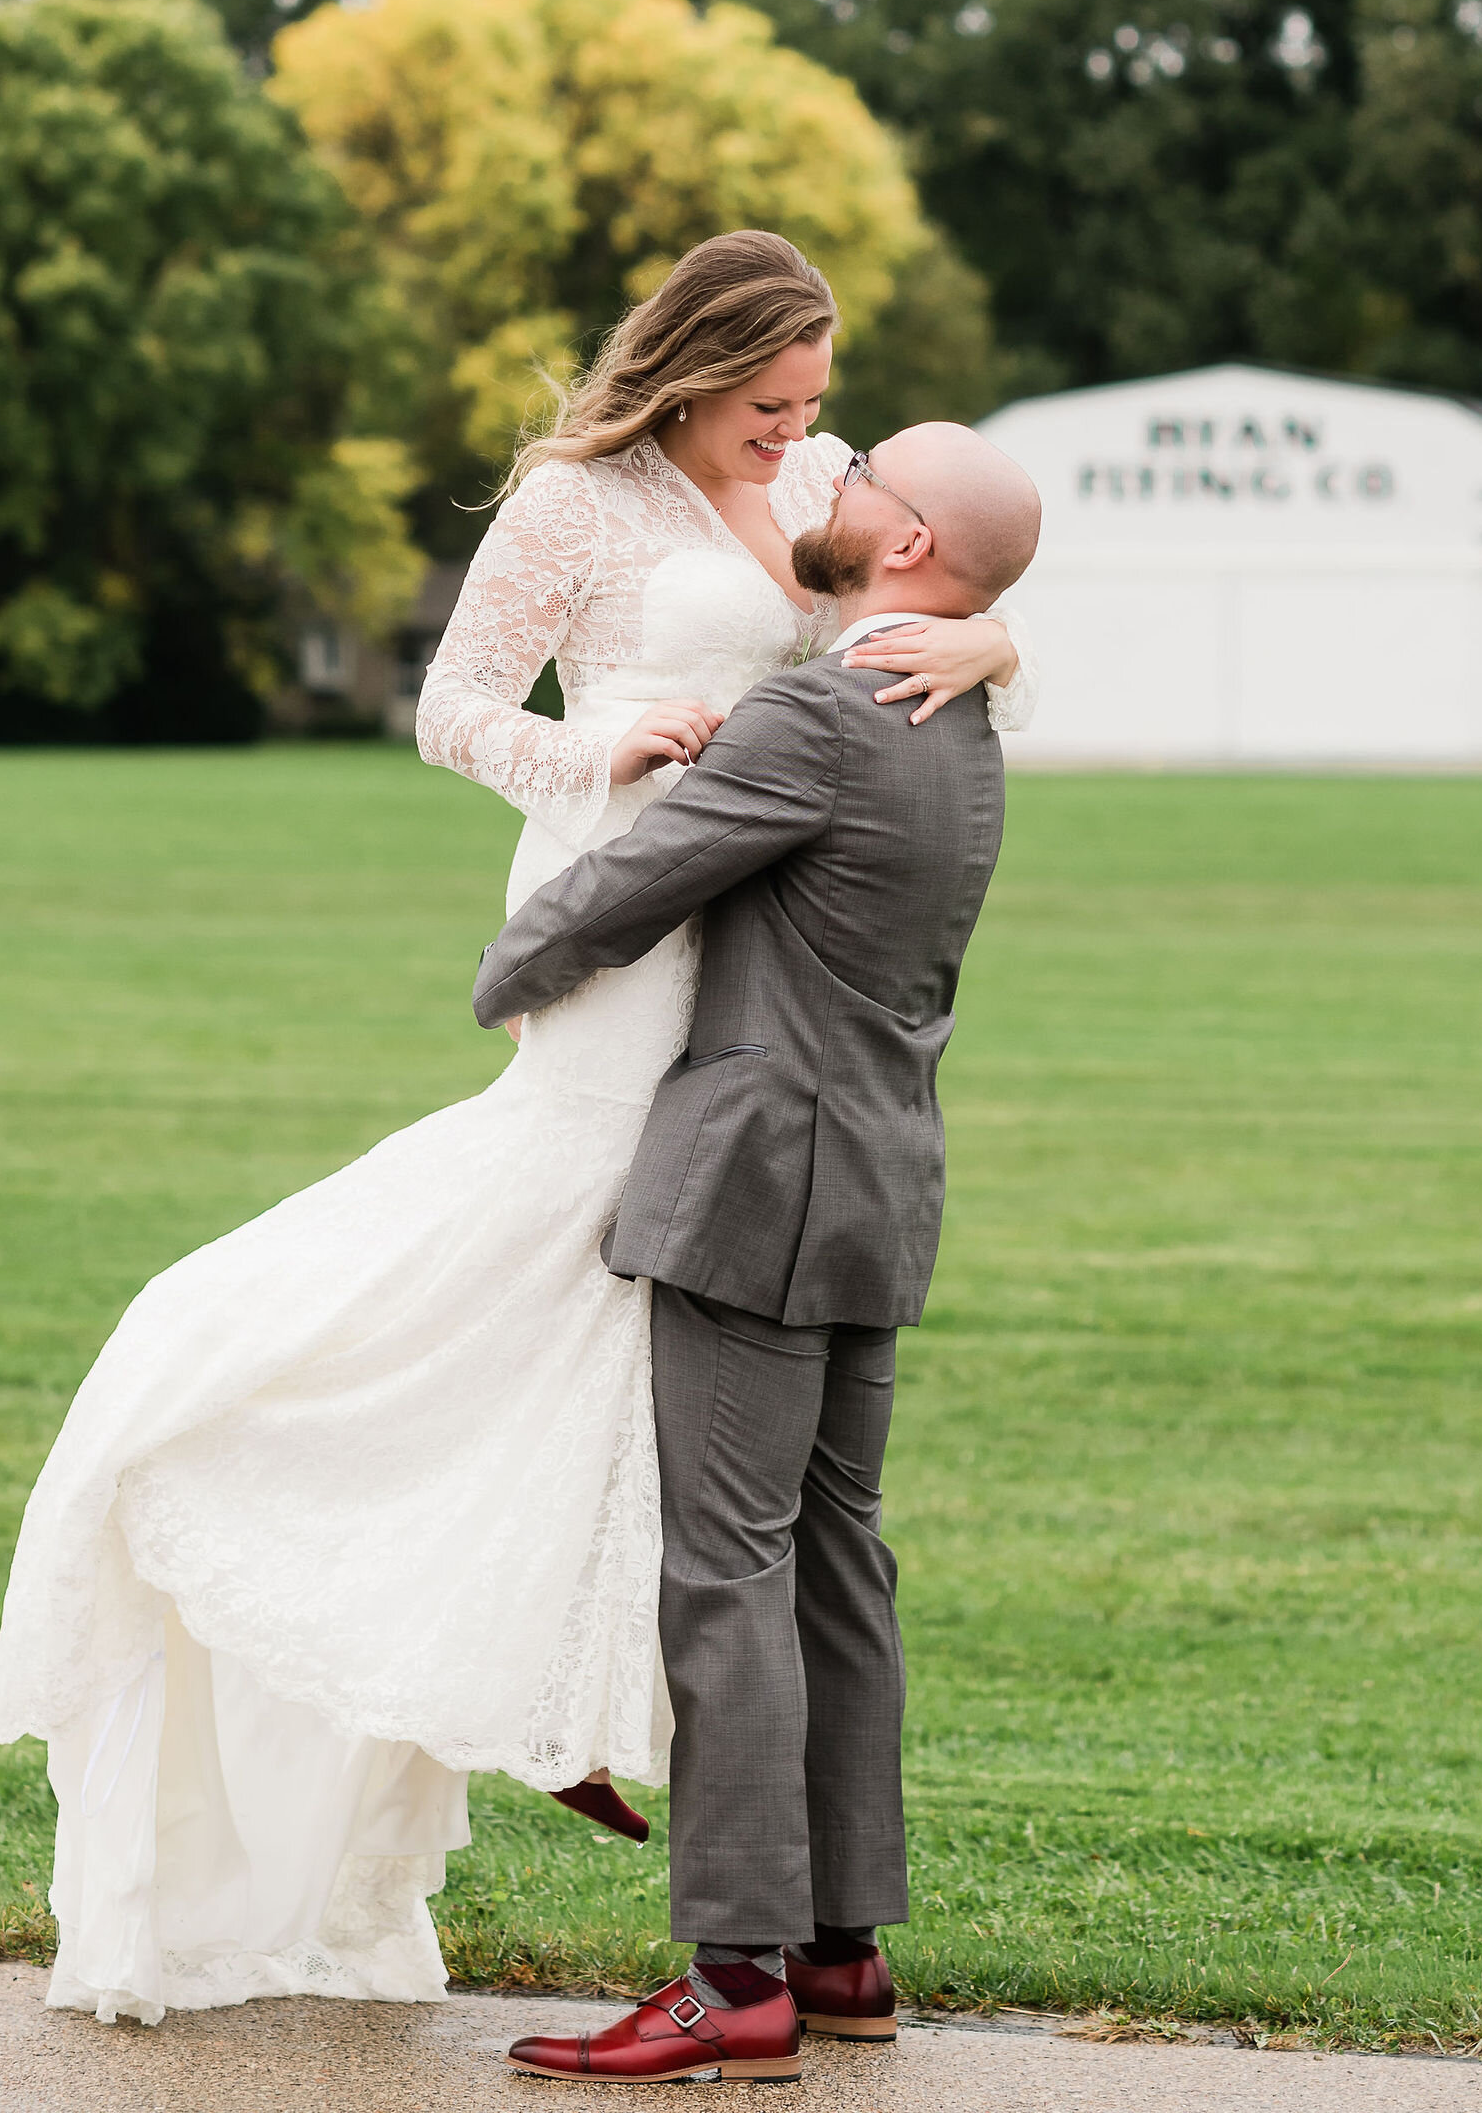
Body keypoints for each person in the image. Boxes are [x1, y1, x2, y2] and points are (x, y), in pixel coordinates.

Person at [0, 230, 1036, 2024]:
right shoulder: (575, 502)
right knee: (564, 1250)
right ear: (699, 374)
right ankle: (447, 1603)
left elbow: (910, 608)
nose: (800, 439)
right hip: (634, 894)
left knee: (643, 1317)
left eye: (815, 414)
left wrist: (994, 628)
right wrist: (602, 763)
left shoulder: (817, 497)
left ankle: (534, 1668)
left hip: (762, 916)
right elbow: (451, 710)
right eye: (774, 406)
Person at [474, 419, 1043, 2085]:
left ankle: (735, 1979)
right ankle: (844, 1946)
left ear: (912, 544)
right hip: (882, 1179)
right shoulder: (965, 724)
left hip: (757, 1188)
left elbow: (639, 882)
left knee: (726, 1569)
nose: (827, 489)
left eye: (862, 486)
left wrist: (508, 971)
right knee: (837, 1566)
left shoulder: (819, 712)